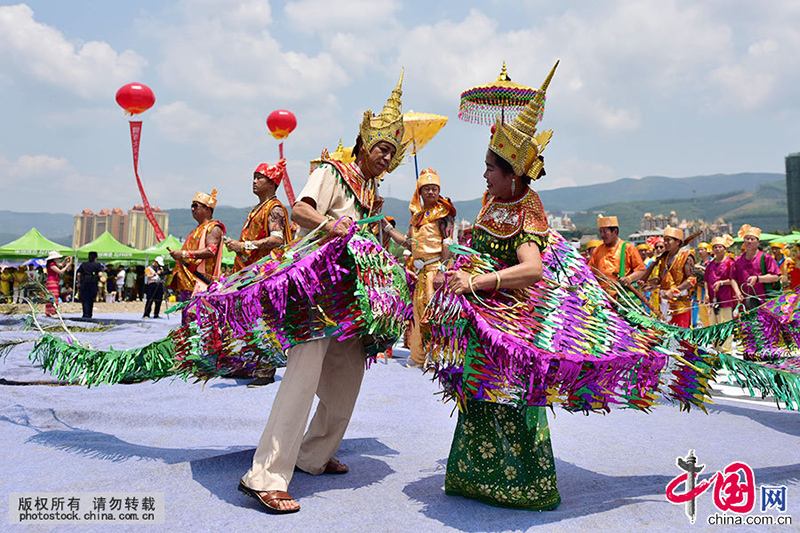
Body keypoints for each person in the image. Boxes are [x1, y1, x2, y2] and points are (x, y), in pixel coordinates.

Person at [238, 71, 407, 514]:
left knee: (347, 378)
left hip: (350, 300)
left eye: (393, 150)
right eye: (381, 147)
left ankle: (313, 455)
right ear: (363, 142)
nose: (386, 156)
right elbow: (300, 209)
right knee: (302, 378)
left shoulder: (371, 192)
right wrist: (331, 223)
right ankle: (265, 475)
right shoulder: (335, 171)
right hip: (313, 294)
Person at [441, 61, 561, 510]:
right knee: (476, 391)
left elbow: (532, 270)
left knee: (511, 397)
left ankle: (522, 486)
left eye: (491, 167)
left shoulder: (530, 207)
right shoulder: (492, 203)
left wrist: (479, 280)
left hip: (514, 323)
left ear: (512, 172)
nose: (485, 175)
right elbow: (479, 250)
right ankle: (476, 478)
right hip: (483, 316)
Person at [224, 159, 293, 387]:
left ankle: (265, 371)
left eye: (259, 177)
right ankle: (249, 365)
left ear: (272, 183)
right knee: (248, 320)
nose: (254, 181)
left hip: (265, 276)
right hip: (250, 275)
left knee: (264, 321)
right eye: (254, 177)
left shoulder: (274, 209)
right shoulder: (258, 209)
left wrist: (243, 246)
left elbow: (277, 239)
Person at [404, 167, 456, 367]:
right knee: (417, 314)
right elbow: (408, 244)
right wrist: (388, 228)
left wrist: (442, 270)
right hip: (419, 272)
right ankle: (419, 357)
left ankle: (436, 358)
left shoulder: (444, 213)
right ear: (420, 192)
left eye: (434, 188)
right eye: (426, 189)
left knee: (435, 314)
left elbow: (447, 242)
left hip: (436, 270)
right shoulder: (416, 217)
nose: (431, 192)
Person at [169, 189, 226, 301]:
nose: (192, 209)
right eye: (192, 206)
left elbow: (210, 251)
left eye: (196, 206)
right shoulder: (196, 229)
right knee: (187, 317)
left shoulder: (213, 228)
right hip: (188, 283)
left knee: (197, 317)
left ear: (207, 209)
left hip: (201, 284)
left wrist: (183, 254)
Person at [587, 214, 646, 298]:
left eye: (605, 232)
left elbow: (641, 270)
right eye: (600, 232)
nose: (602, 235)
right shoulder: (597, 250)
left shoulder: (628, 248)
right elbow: (590, 271)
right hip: (604, 297)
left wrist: (629, 279)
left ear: (615, 231)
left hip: (623, 297)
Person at [651, 227, 695, 327]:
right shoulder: (664, 257)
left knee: (680, 336)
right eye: (664, 240)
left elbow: (692, 280)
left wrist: (674, 291)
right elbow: (662, 279)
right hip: (663, 302)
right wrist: (651, 283)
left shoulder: (686, 257)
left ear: (678, 242)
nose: (665, 243)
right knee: (665, 334)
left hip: (679, 304)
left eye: (668, 240)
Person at [704, 235, 739, 352]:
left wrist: (722, 283)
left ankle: (726, 351)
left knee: (725, 324)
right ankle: (716, 349)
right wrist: (707, 294)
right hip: (713, 299)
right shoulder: (710, 264)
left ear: (725, 249)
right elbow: (706, 280)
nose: (718, 249)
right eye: (715, 247)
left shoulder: (730, 263)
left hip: (725, 299)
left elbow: (733, 279)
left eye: (720, 247)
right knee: (714, 325)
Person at [733, 224, 781, 310]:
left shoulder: (766, 258)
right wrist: (737, 291)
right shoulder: (738, 260)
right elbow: (733, 278)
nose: (749, 241)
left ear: (758, 242)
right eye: (747, 238)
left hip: (764, 302)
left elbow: (775, 277)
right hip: (744, 303)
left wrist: (758, 278)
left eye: (752, 239)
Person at [44, 251, 71, 317]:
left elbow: (61, 265)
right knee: (52, 296)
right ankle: (51, 312)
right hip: (52, 282)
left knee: (54, 296)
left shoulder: (54, 263)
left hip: (55, 281)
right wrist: (67, 266)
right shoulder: (51, 264)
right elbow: (60, 271)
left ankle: (51, 311)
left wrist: (65, 260)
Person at [76, 251, 103, 319]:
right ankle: (89, 314)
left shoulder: (84, 264)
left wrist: (79, 282)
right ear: (96, 257)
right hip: (93, 283)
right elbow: (100, 274)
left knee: (85, 299)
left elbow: (78, 274)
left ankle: (85, 314)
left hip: (84, 283)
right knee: (91, 299)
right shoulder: (97, 265)